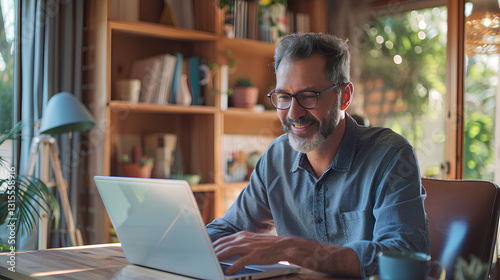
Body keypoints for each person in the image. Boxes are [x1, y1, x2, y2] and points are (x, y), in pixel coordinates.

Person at [206, 33, 430, 278]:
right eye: (283, 97)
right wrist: (176, 238)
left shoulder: (390, 155)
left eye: (308, 96)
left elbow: (403, 254)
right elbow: (231, 228)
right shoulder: (276, 157)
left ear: (344, 97)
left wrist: (291, 249)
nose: (294, 113)